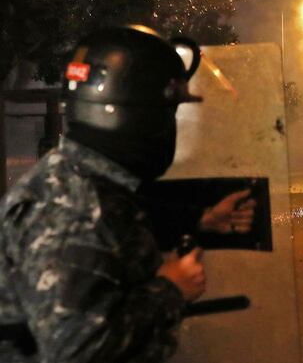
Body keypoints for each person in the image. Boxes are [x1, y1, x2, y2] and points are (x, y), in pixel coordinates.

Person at [0, 25, 211, 362]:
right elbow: (76, 350)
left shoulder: (81, 181)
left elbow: (111, 238)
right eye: (168, 112)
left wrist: (203, 218)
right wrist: (170, 289)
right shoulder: (73, 207)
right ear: (142, 114)